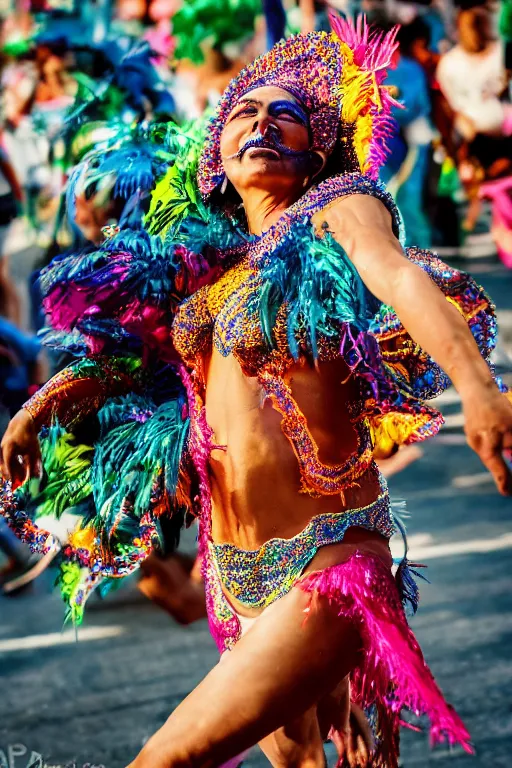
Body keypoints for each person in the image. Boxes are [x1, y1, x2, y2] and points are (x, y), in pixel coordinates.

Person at [2, 15, 512, 768]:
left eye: (289, 114)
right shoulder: (213, 274)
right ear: (218, 160)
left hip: (328, 565)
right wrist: (38, 409)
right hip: (233, 580)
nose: (263, 122)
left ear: (319, 148)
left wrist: (480, 390)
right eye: (244, 111)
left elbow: (397, 276)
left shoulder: (337, 207)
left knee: (162, 762)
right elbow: (135, 364)